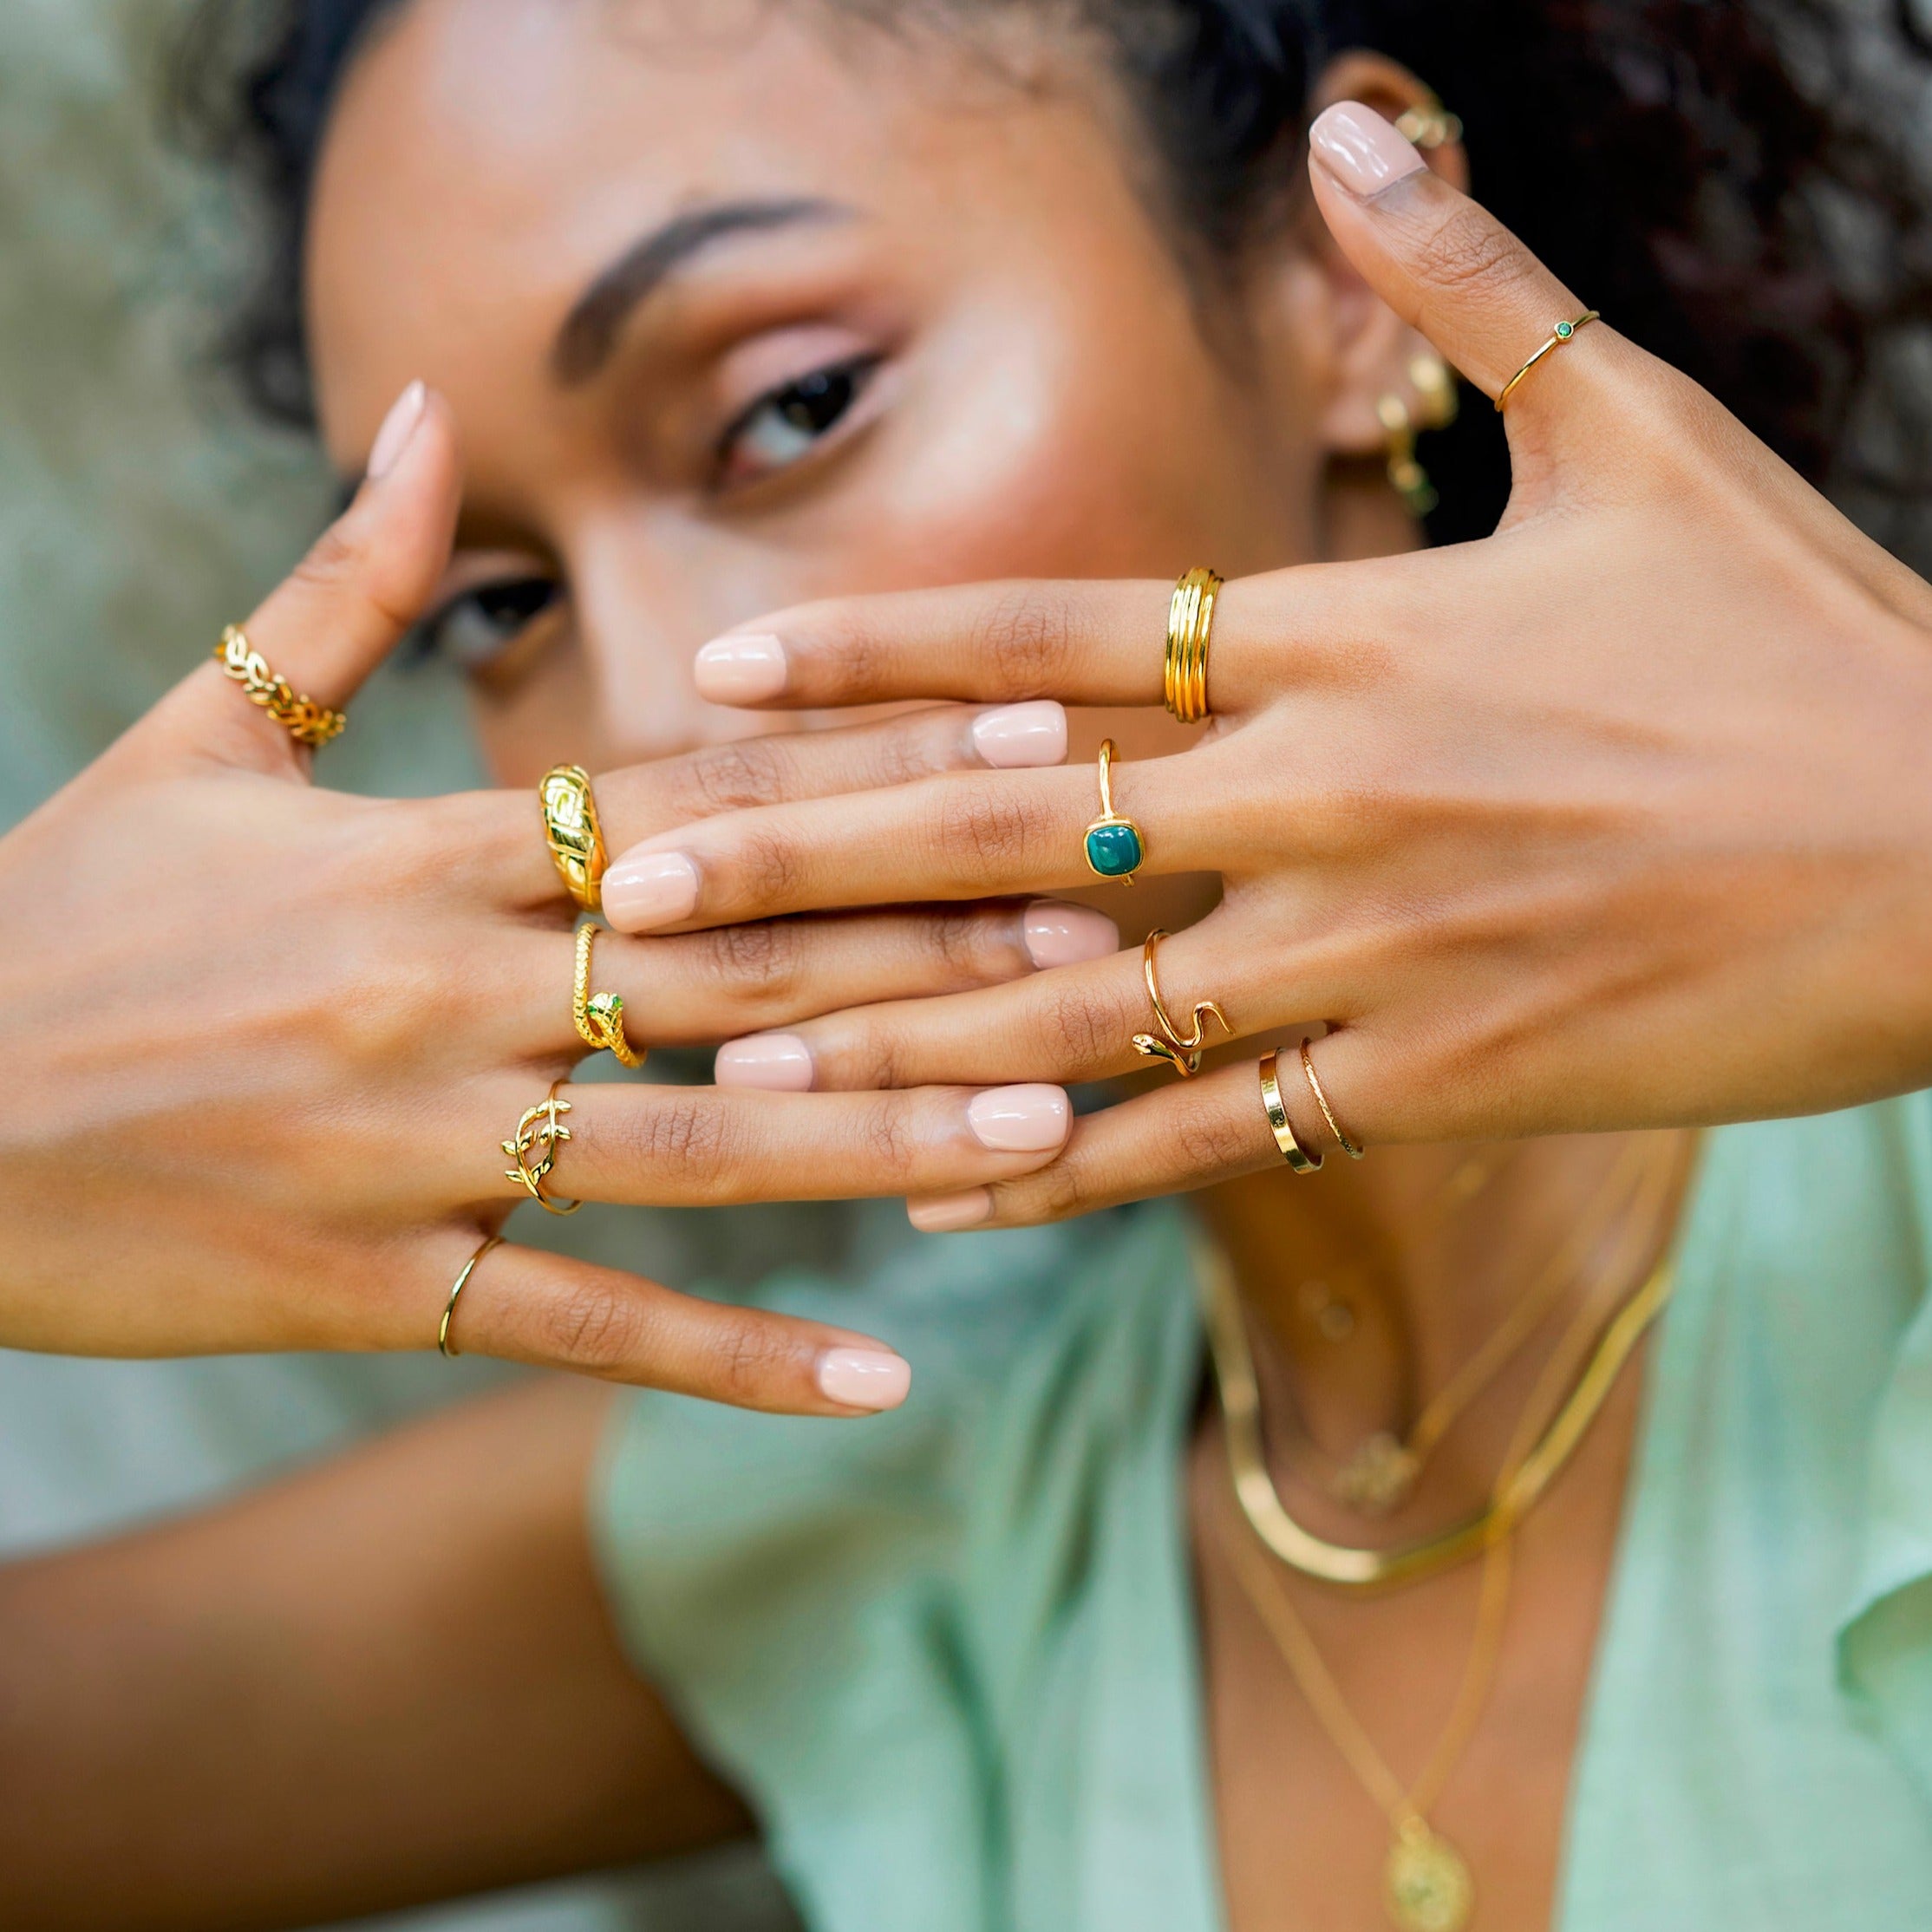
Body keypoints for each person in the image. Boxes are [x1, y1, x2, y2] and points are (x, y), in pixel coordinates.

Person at [4, 2, 1932, 1928]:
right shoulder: (919, 1511)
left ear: (1343, 275)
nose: (643, 715)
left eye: (789, 408)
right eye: (503, 605)